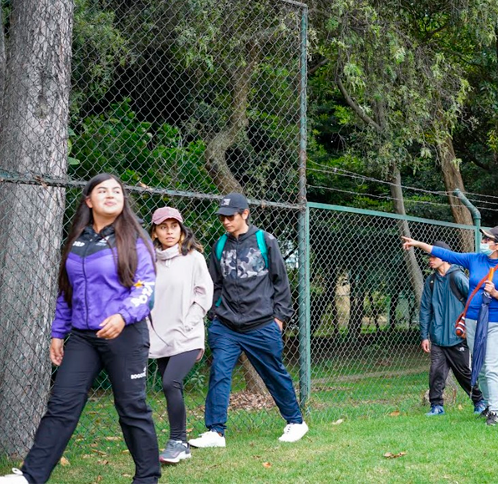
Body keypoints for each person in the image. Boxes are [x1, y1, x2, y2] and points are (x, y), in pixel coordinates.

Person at [0, 174, 160, 484]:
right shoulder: (78, 240)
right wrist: (58, 333)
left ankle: (147, 478)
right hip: (84, 338)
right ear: (88, 200)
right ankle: (30, 477)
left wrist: (123, 317)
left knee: (131, 408)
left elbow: (146, 289)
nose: (111, 195)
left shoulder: (135, 239)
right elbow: (67, 292)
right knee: (61, 405)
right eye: (103, 191)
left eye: (117, 191)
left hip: (125, 334)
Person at [188, 193, 308, 448]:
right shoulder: (219, 245)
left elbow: (281, 282)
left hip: (262, 324)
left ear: (245, 214)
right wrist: (216, 314)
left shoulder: (265, 241)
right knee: (219, 373)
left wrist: (279, 318)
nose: (225, 222)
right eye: (222, 217)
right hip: (226, 326)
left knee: (274, 374)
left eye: (230, 217)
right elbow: (214, 284)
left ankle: (296, 422)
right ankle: (215, 432)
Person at [402, 227, 498, 426]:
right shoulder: (474, 259)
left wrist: (497, 294)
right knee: (478, 367)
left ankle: (494, 411)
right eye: (483, 238)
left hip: (496, 321)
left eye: (487, 239)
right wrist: (419, 244)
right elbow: (446, 254)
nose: (483, 241)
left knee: (490, 368)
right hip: (472, 320)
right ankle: (487, 405)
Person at [148, 207, 213, 463]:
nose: (170, 231)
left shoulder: (193, 258)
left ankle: (176, 441)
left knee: (169, 383)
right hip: (160, 336)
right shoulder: (148, 260)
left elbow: (204, 294)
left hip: (188, 334)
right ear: (155, 231)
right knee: (172, 387)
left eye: (174, 226)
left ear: (181, 229)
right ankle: (182, 444)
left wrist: (190, 323)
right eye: (163, 227)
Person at [419, 241, 486, 416]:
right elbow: (425, 308)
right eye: (430, 257)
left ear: (444, 256)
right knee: (436, 373)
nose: (430, 260)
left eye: (434, 256)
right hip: (438, 337)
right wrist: (424, 335)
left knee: (464, 373)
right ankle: (436, 406)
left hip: (457, 336)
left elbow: (474, 300)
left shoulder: (457, 277)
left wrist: (467, 325)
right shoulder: (431, 280)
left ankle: (479, 402)